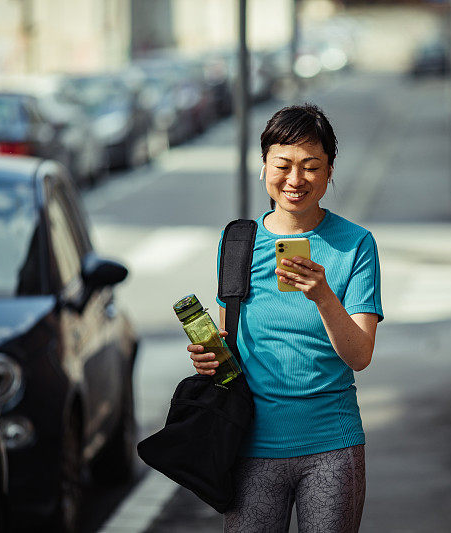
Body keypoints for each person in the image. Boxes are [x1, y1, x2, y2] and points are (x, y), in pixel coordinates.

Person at [187, 103, 383, 532]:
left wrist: (324, 297)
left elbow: (360, 355)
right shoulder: (237, 240)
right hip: (250, 444)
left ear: (330, 172)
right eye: (283, 164)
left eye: (311, 166)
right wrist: (212, 359)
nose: (295, 180)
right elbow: (231, 342)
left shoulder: (355, 245)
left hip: (332, 443)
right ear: (263, 167)